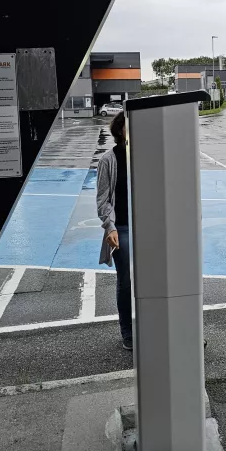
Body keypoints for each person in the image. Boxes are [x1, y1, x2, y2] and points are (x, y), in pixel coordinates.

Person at [96, 111, 133, 350]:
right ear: (120, 130)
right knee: (126, 280)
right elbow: (102, 200)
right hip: (122, 228)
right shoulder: (108, 160)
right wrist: (110, 227)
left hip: (150, 227)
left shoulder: (147, 156)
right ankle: (127, 332)